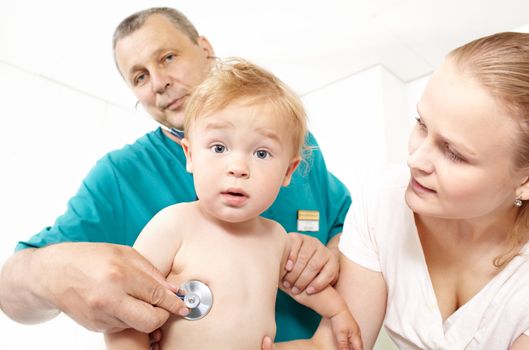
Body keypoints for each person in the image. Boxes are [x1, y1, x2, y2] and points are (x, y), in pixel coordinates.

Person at [0, 6, 351, 343]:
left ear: (205, 50)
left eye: (167, 57)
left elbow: (348, 222)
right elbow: (9, 291)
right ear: (189, 156)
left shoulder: (296, 144)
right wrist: (51, 274)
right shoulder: (119, 177)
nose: (158, 83)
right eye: (140, 76)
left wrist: (333, 254)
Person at [262, 31, 529, 350]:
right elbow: (336, 344)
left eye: (454, 153)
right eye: (422, 124)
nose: (415, 160)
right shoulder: (384, 199)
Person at [104, 57, 362, 350]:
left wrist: (337, 312)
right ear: (190, 155)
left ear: (288, 172)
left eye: (261, 153)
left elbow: (305, 288)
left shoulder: (275, 237)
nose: (238, 167)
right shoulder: (174, 225)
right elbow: (124, 307)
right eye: (219, 147)